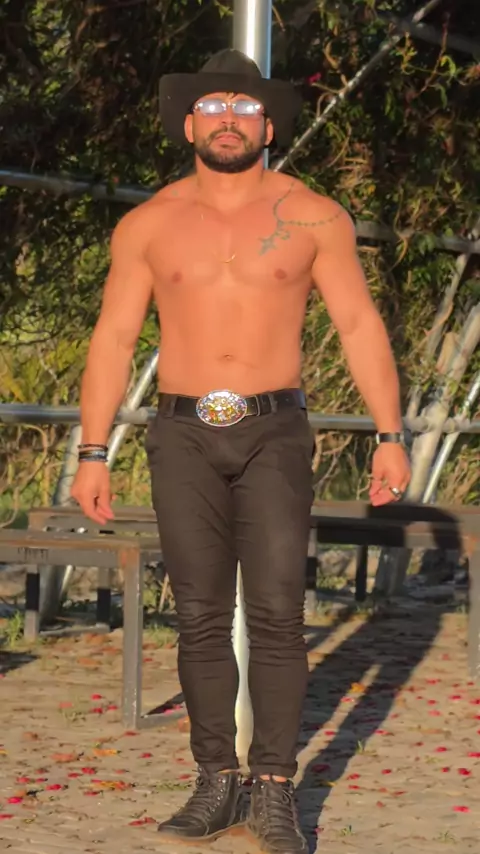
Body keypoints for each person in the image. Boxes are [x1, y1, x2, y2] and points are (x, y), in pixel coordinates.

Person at [71, 49, 410, 854]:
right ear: (189, 124)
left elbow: (358, 324)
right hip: (182, 432)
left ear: (269, 125)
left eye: (246, 108)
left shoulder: (314, 216)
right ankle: (215, 780)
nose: (230, 119)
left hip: (274, 433)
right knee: (196, 617)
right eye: (216, 107)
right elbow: (114, 337)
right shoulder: (149, 224)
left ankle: (274, 789)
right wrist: (92, 450)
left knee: (277, 614)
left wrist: (391, 435)